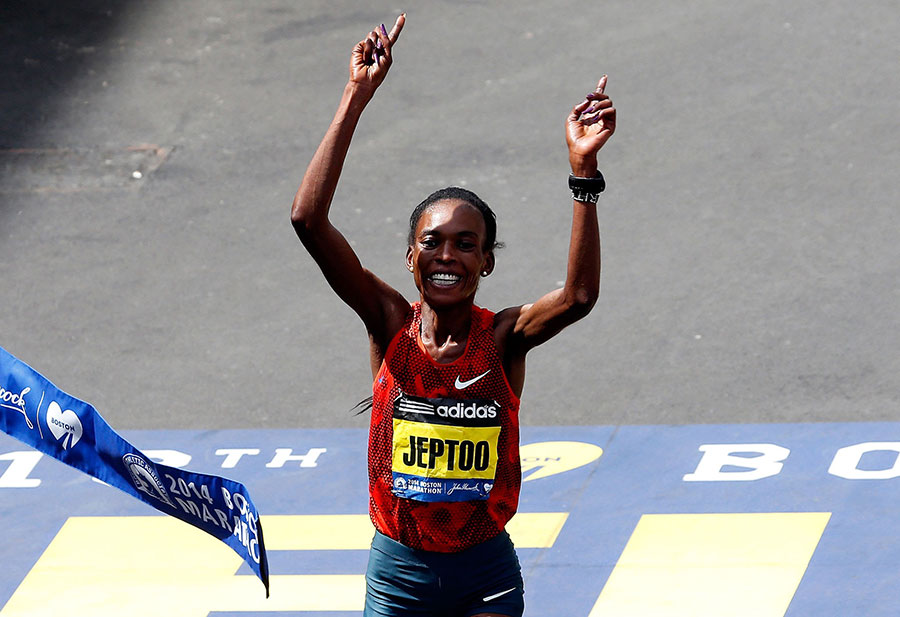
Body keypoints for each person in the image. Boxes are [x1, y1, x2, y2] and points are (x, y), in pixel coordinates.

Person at [290, 14, 616, 617]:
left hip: (484, 574)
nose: (447, 256)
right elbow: (308, 220)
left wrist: (583, 173)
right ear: (410, 257)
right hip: (399, 575)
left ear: (486, 262)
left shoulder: (505, 337)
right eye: (432, 242)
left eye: (466, 244)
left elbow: (578, 296)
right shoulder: (389, 322)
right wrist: (355, 96)